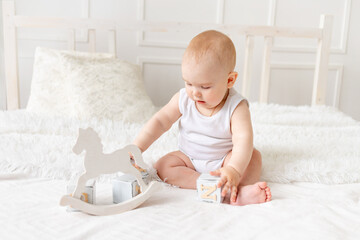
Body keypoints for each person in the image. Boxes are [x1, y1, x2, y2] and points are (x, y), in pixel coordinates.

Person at [133, 30, 271, 205]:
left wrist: (234, 169)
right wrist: (137, 147)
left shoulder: (236, 107)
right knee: (163, 166)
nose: (195, 92)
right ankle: (206, 184)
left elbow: (243, 139)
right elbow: (160, 121)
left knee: (253, 158)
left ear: (230, 80)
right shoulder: (184, 98)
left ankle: (237, 190)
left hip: (224, 160)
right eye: (189, 83)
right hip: (189, 158)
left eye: (205, 87)